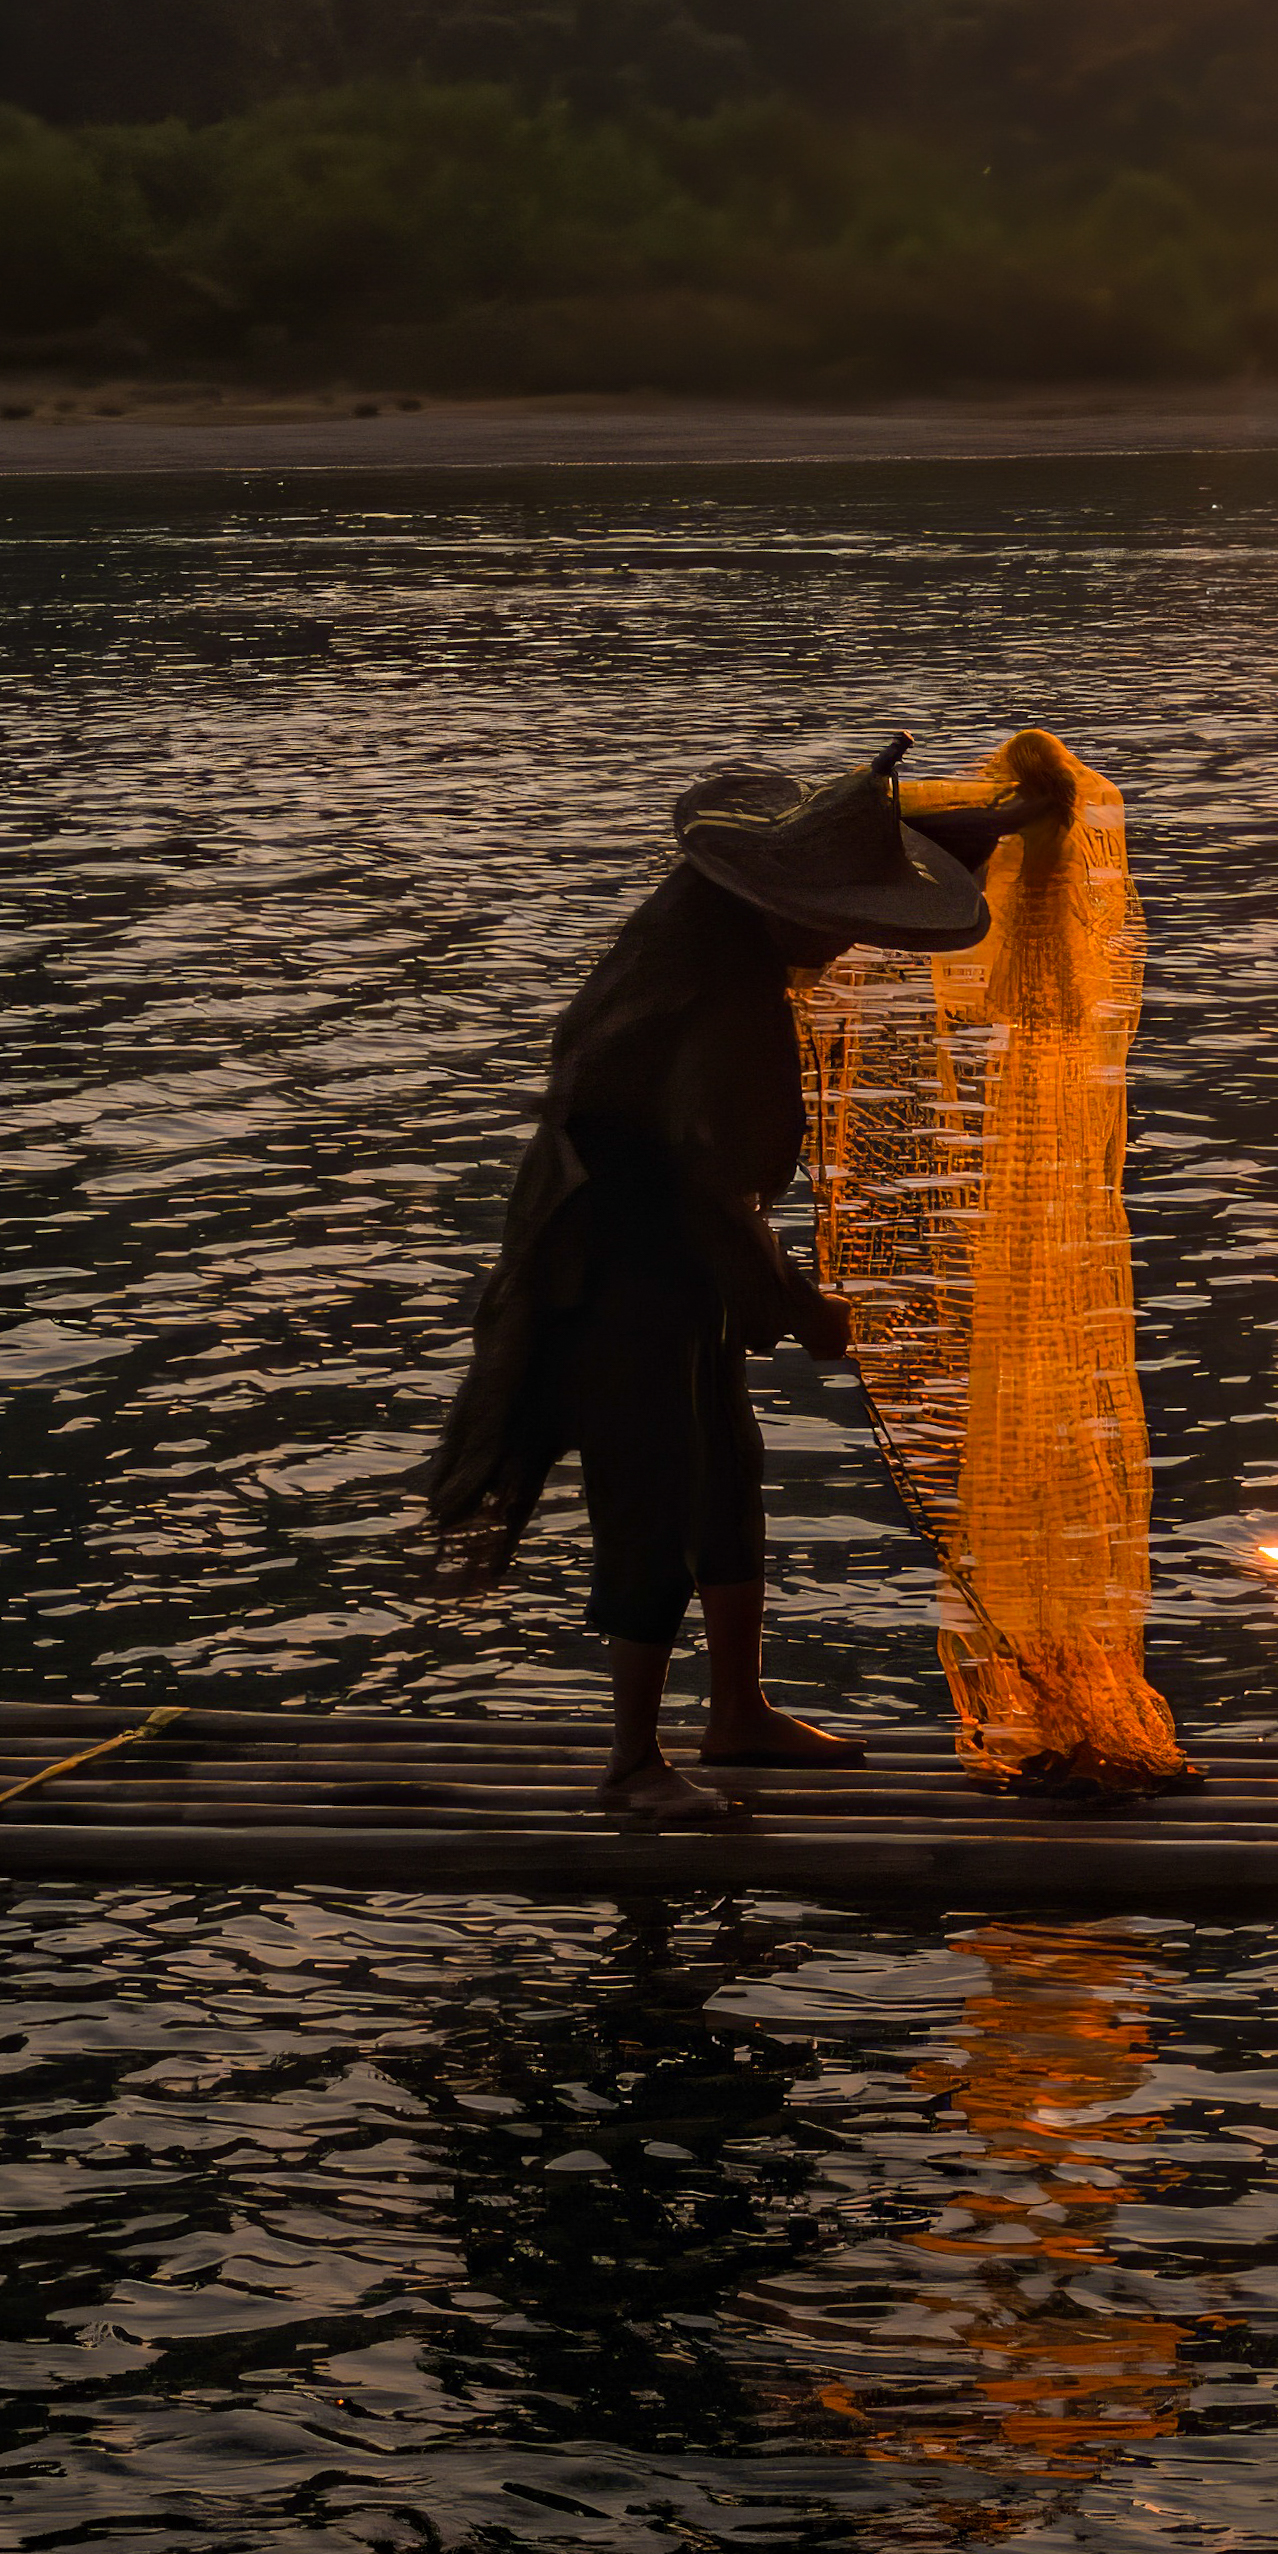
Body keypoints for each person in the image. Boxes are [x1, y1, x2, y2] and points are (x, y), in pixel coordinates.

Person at [420, 742, 1068, 1823]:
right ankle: (634, 1762)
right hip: (617, 1268)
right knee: (656, 1488)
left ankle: (736, 1705)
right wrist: (799, 1305)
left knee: (727, 1464)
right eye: (841, 915)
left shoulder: (698, 934)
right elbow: (713, 1198)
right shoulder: (725, 1008)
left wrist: (1010, 816)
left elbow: (885, 837)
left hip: (671, 1259)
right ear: (778, 906)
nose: (852, 934)